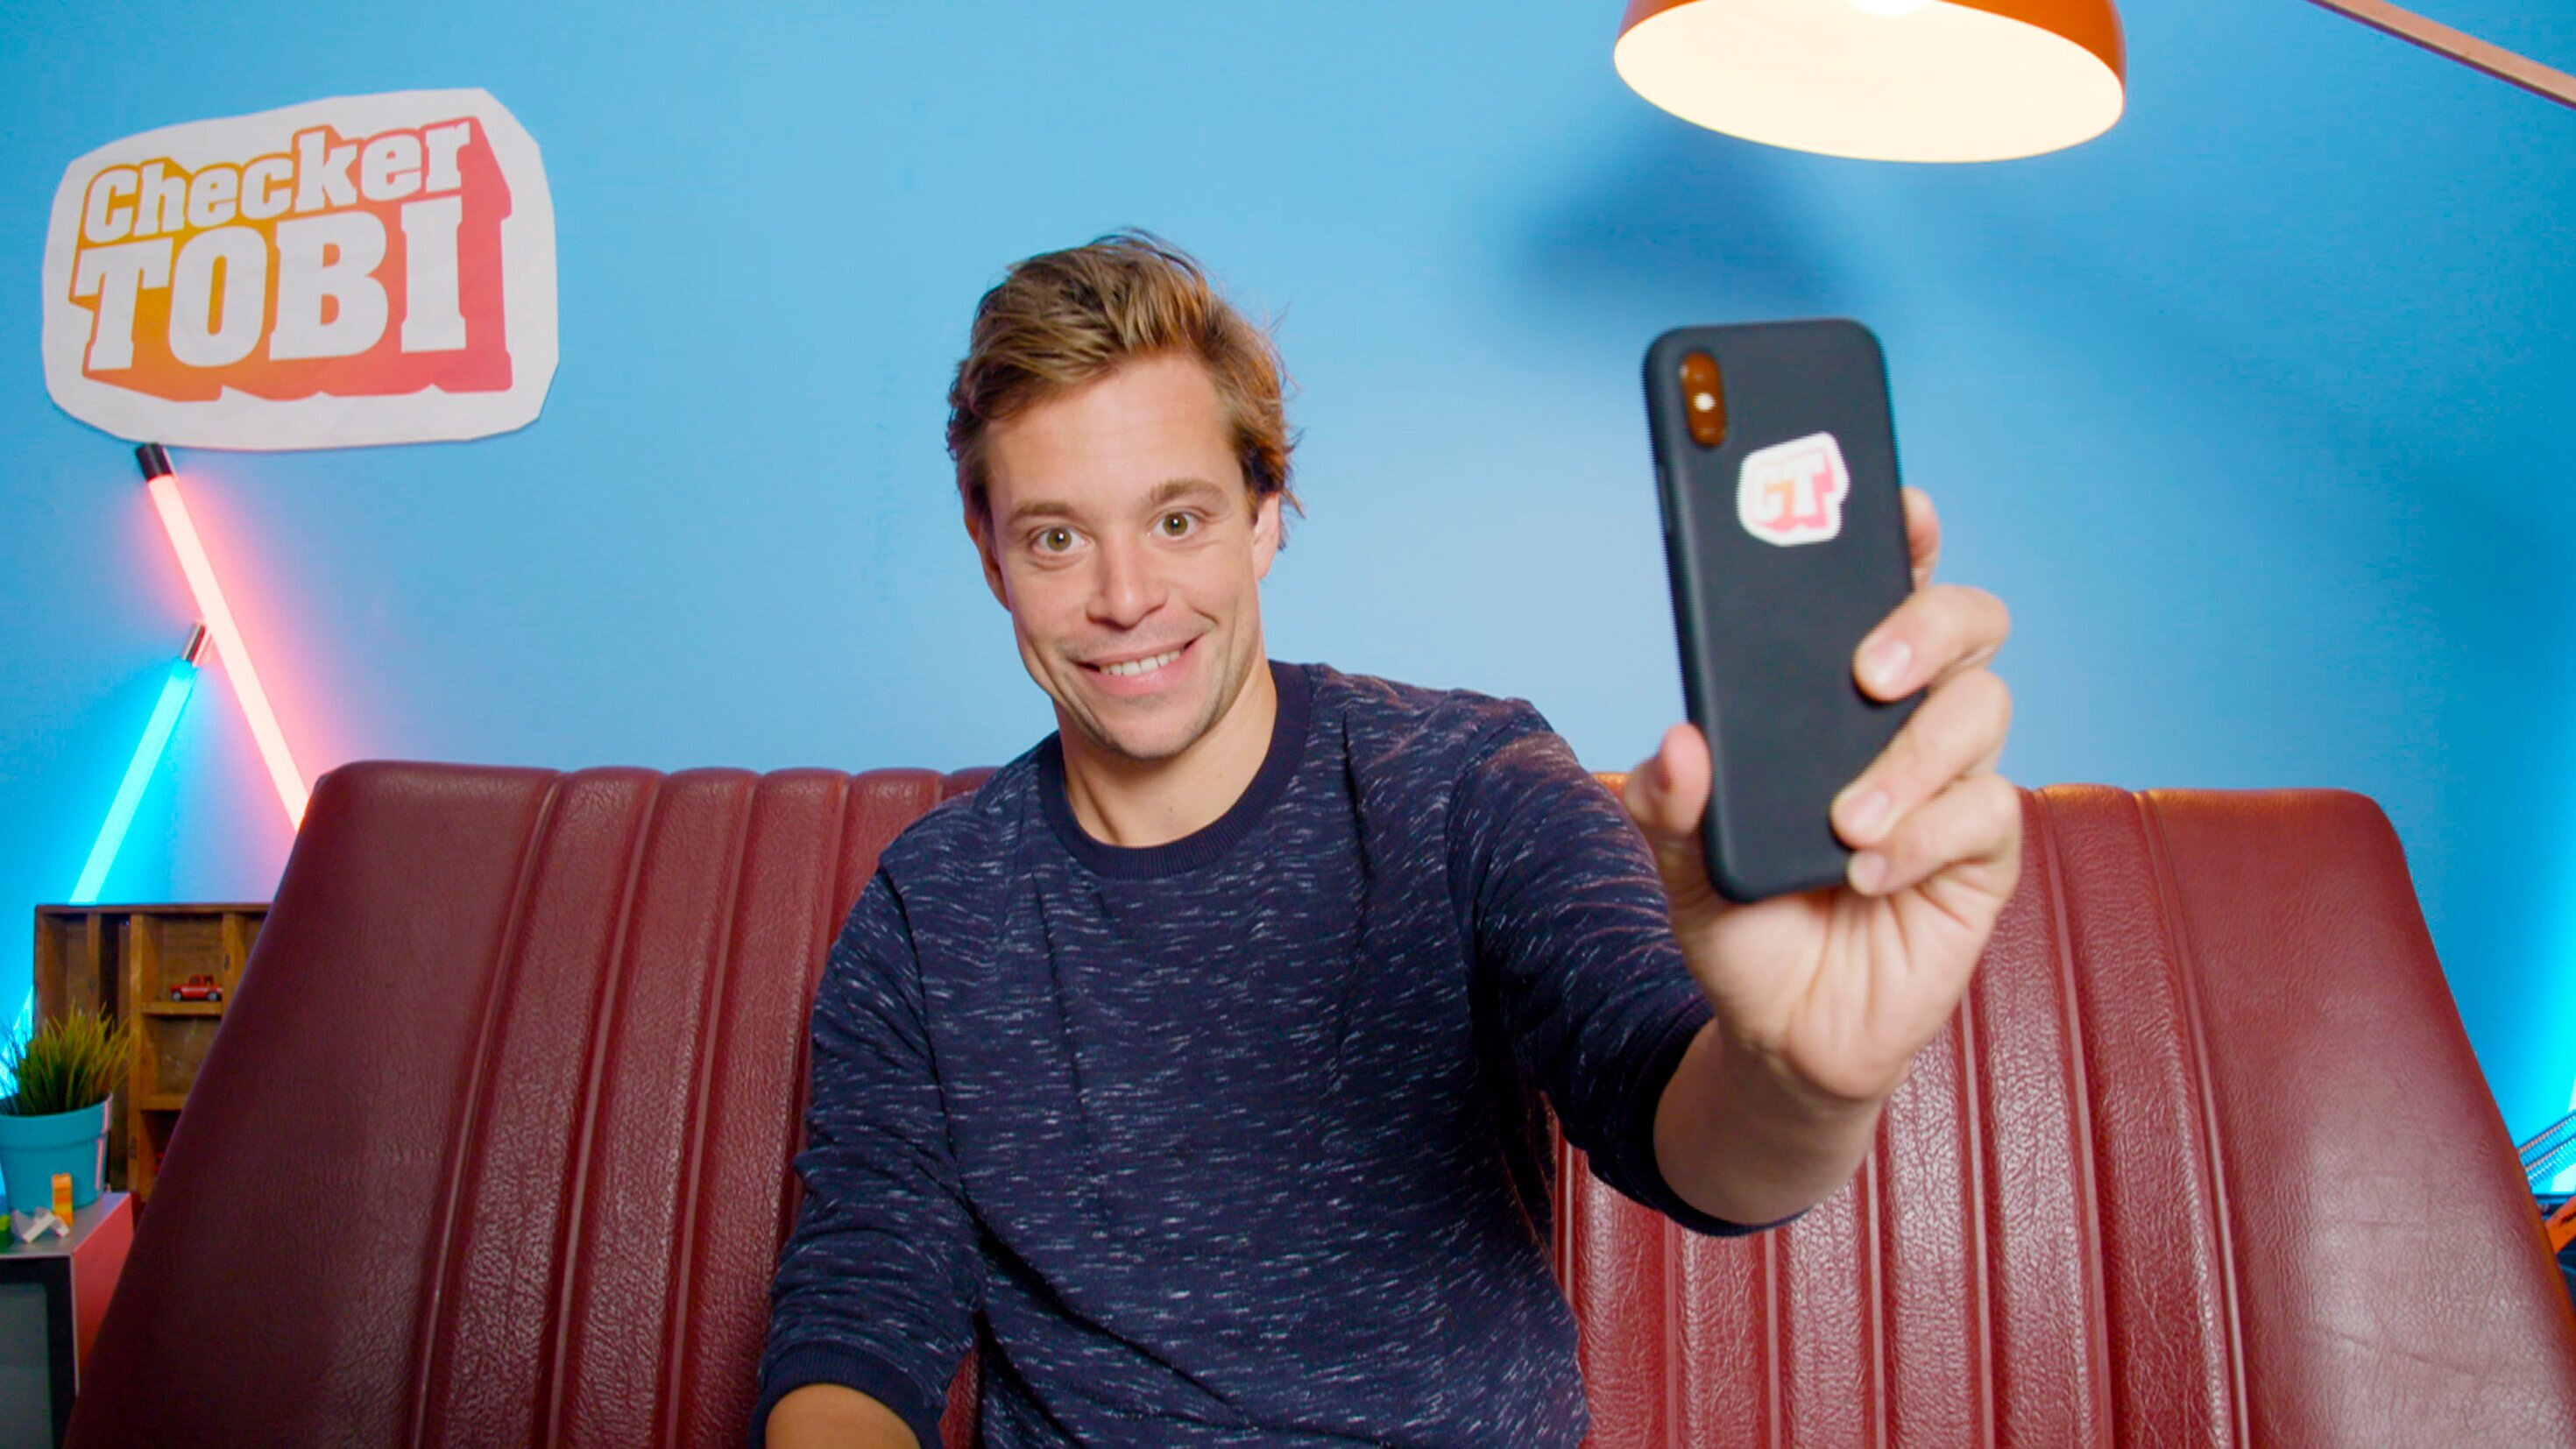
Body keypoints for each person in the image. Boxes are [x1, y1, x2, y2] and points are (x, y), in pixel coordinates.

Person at [757, 232, 2019, 1447]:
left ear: (1267, 511)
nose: (1126, 597)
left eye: (1179, 520)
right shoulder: (931, 910)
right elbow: (858, 1325)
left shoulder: (1468, 787)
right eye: (1056, 538)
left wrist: (1806, 1081)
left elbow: (1674, 1108)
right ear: (989, 552)